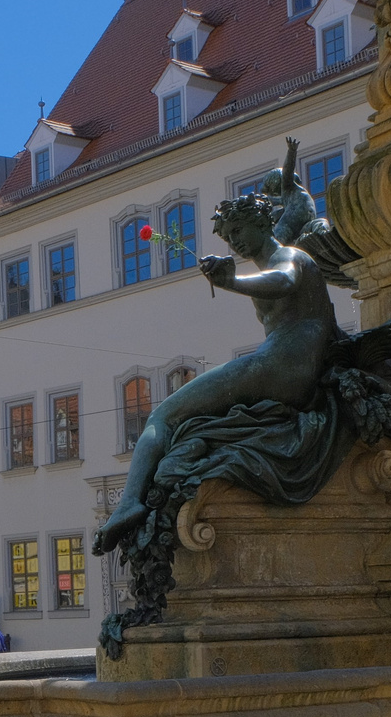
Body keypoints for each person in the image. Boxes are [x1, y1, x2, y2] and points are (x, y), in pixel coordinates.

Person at [95, 192, 342, 554]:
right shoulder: (274, 250)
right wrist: (286, 182)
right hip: (290, 368)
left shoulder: (289, 257)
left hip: (279, 365)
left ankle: (130, 500)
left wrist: (233, 282)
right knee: (183, 419)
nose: (235, 241)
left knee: (163, 415)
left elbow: (284, 279)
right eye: (229, 236)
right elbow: (295, 213)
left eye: (239, 230)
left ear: (261, 224)